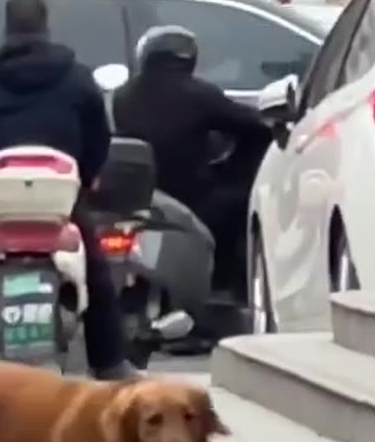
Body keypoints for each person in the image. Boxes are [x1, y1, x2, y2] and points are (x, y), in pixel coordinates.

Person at [0, 0, 138, 379]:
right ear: (46, 26)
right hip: (59, 192)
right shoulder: (76, 77)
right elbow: (99, 137)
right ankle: (110, 360)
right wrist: (85, 175)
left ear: (7, 27)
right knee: (95, 267)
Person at [111, 25, 270, 298]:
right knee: (241, 203)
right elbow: (253, 125)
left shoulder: (122, 95)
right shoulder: (200, 94)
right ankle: (224, 285)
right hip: (192, 197)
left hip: (139, 195)